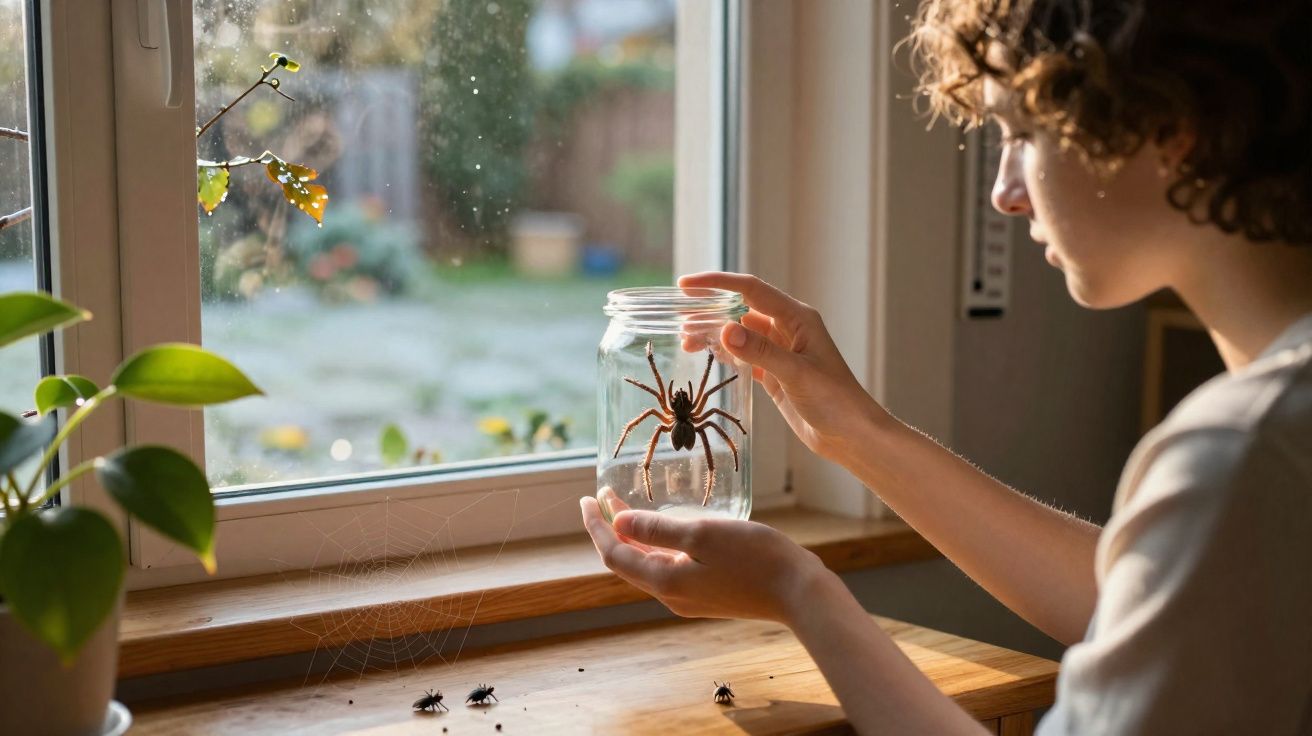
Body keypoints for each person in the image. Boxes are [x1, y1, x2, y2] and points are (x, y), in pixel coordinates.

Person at [581, 0, 1312, 733]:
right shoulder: (1270, 446)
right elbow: (1150, 601)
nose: (1003, 192)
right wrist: (858, 433)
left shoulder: (1245, 452)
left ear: (1171, 128)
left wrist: (798, 591)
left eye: (1022, 134)